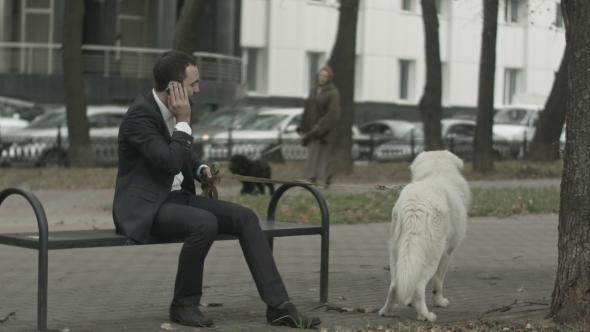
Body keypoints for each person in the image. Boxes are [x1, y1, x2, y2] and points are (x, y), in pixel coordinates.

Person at [112, 51, 320, 329]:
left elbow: (181, 153)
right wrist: (184, 120)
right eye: (193, 83)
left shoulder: (176, 109)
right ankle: (183, 304)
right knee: (204, 223)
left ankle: (279, 306)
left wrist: (200, 169)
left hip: (177, 200)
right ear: (174, 86)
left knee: (245, 217)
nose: (198, 89)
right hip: (147, 208)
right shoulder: (140, 115)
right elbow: (170, 159)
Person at [299, 66, 341, 186]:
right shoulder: (314, 90)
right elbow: (307, 109)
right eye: (320, 75)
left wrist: (320, 126)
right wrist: (302, 126)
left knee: (321, 155)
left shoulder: (333, 93)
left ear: (329, 79)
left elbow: (333, 112)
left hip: (323, 130)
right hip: (311, 129)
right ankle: (320, 177)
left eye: (325, 76)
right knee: (313, 154)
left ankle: (320, 178)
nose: (322, 78)